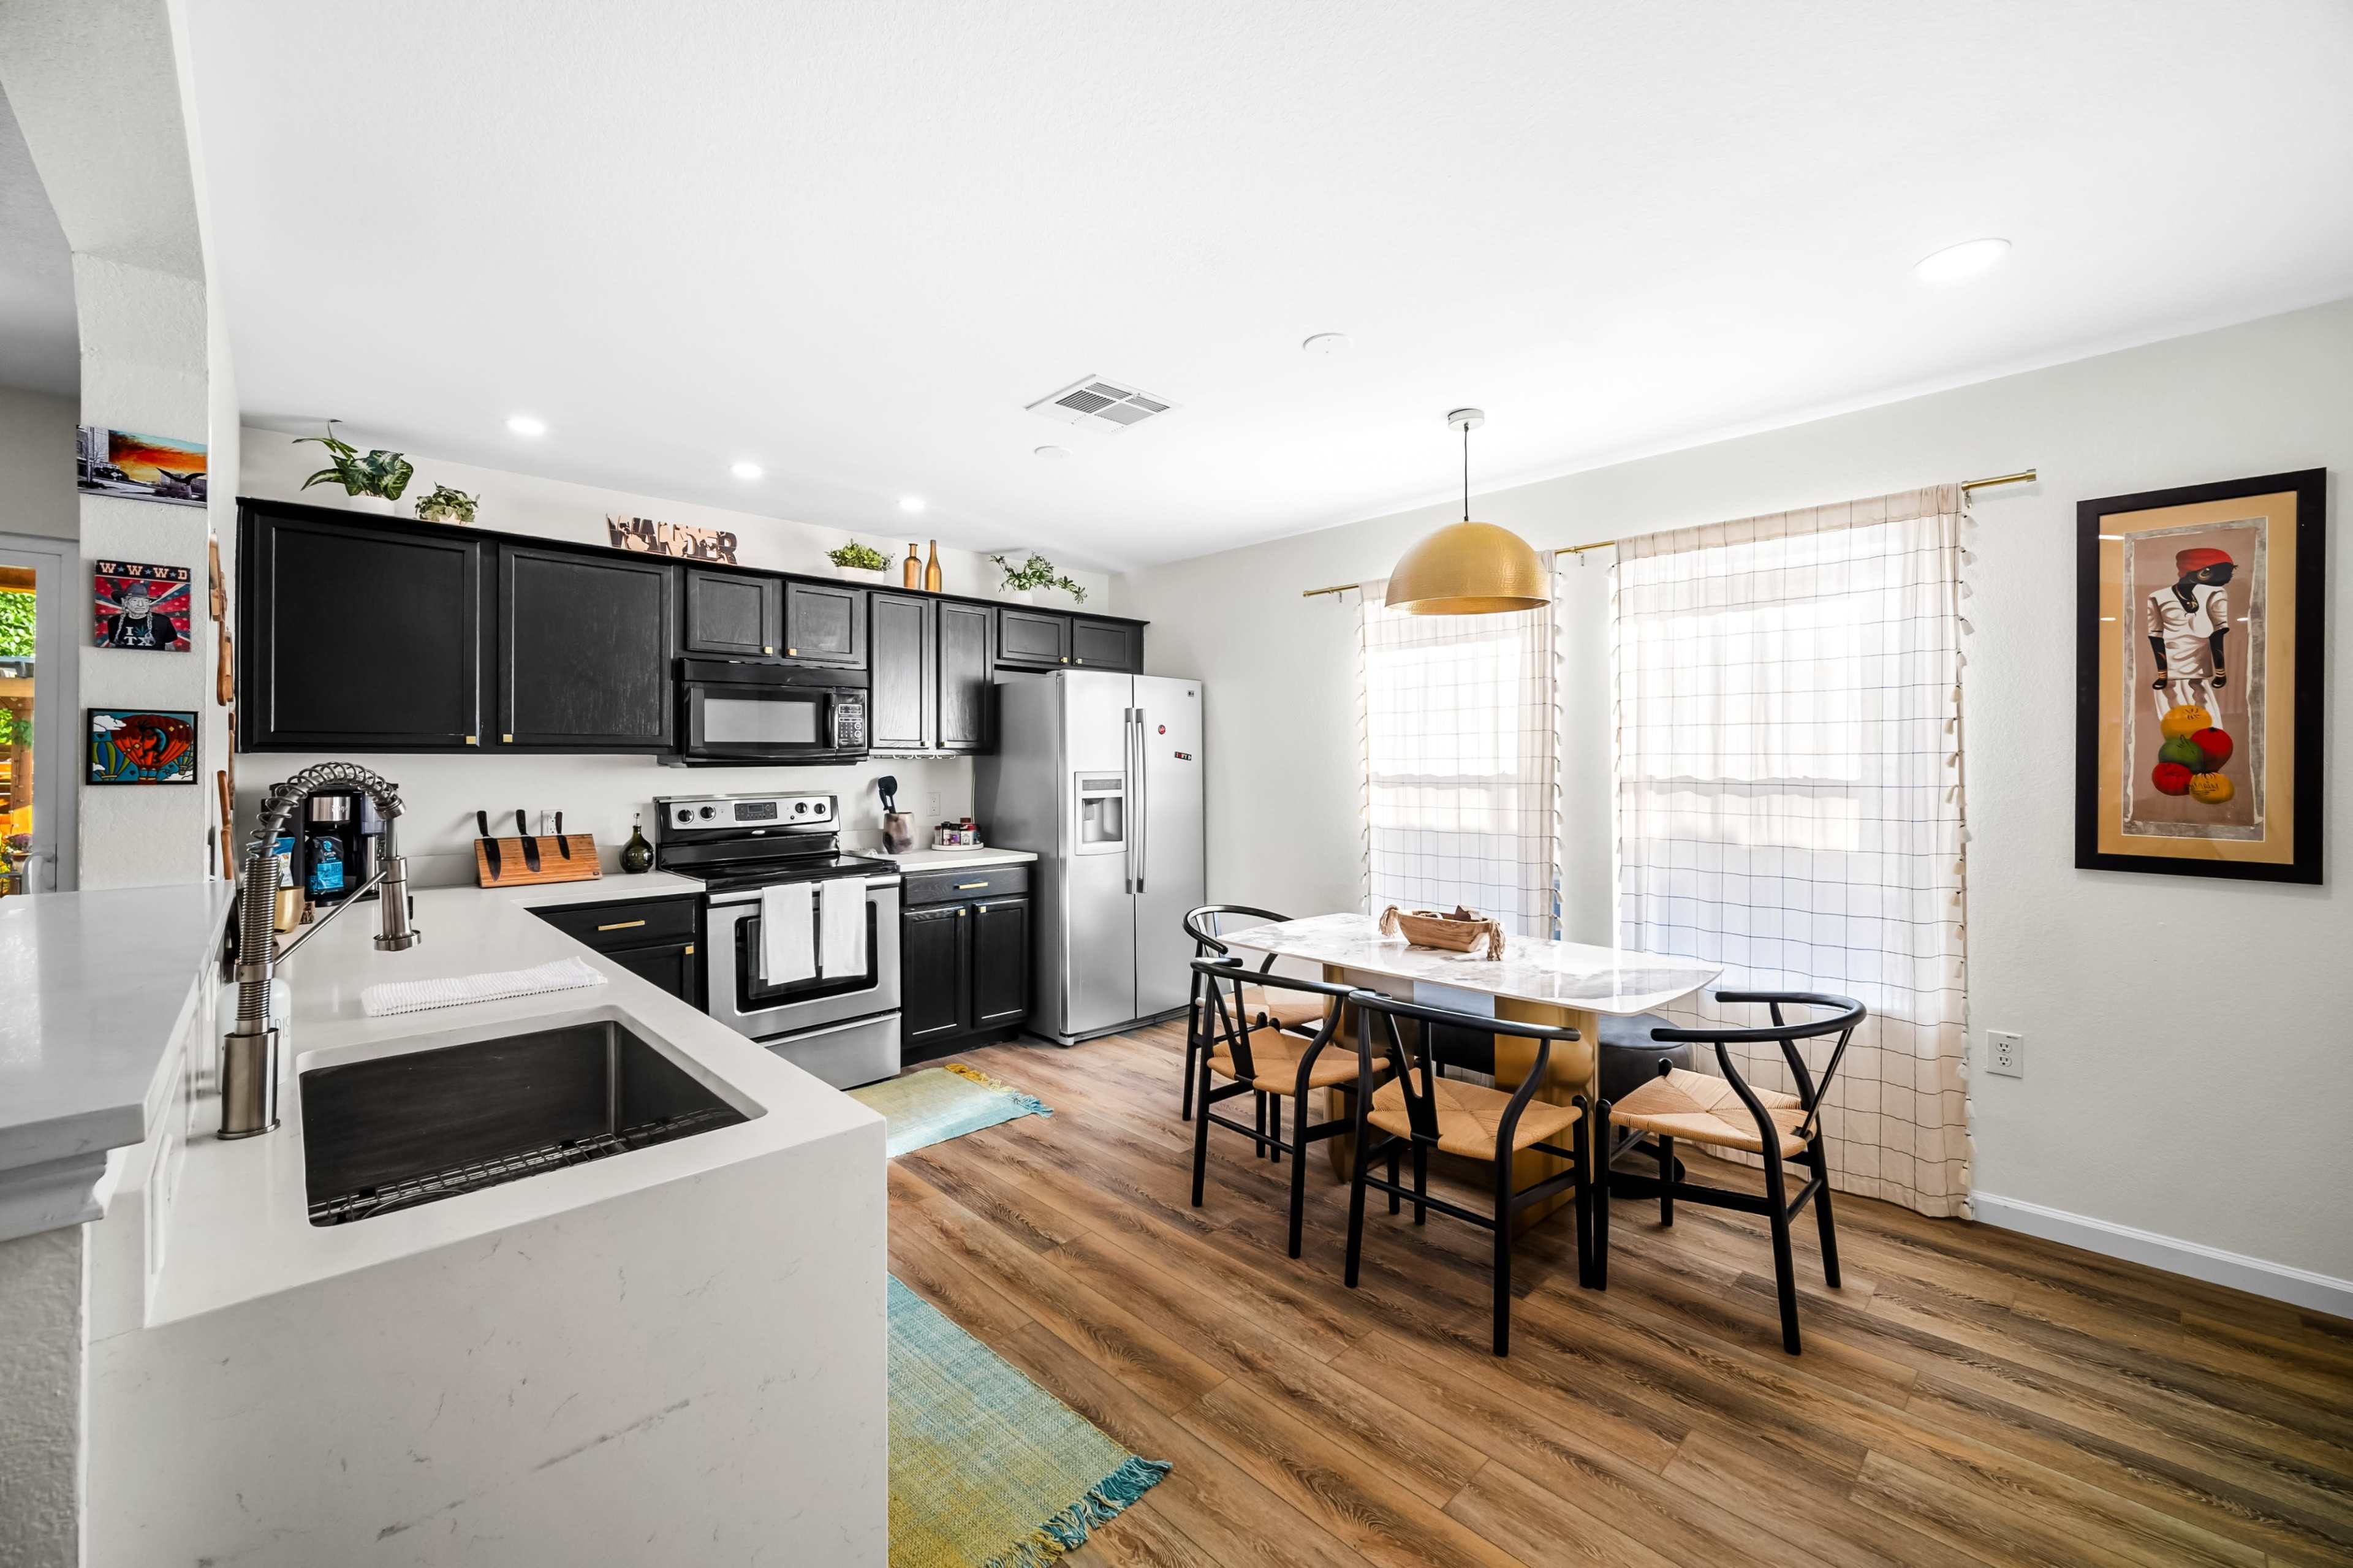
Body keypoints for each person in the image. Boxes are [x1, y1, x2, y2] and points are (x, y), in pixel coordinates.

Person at [2145, 547, 2234, 724]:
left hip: (2200, 674)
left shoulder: (2215, 594)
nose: (2228, 579)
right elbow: (2155, 636)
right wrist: (2163, 676)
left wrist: (2220, 673)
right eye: (2223, 572)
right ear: (2204, 572)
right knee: (2176, 730)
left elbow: (2218, 633)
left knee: (2209, 726)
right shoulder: (2158, 597)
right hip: (2170, 677)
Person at [98, 580, 186, 650]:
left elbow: (170, 648)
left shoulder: (163, 621)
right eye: (135, 600)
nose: (141, 605)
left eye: (145, 601)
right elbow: (112, 648)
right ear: (125, 602)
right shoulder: (114, 621)